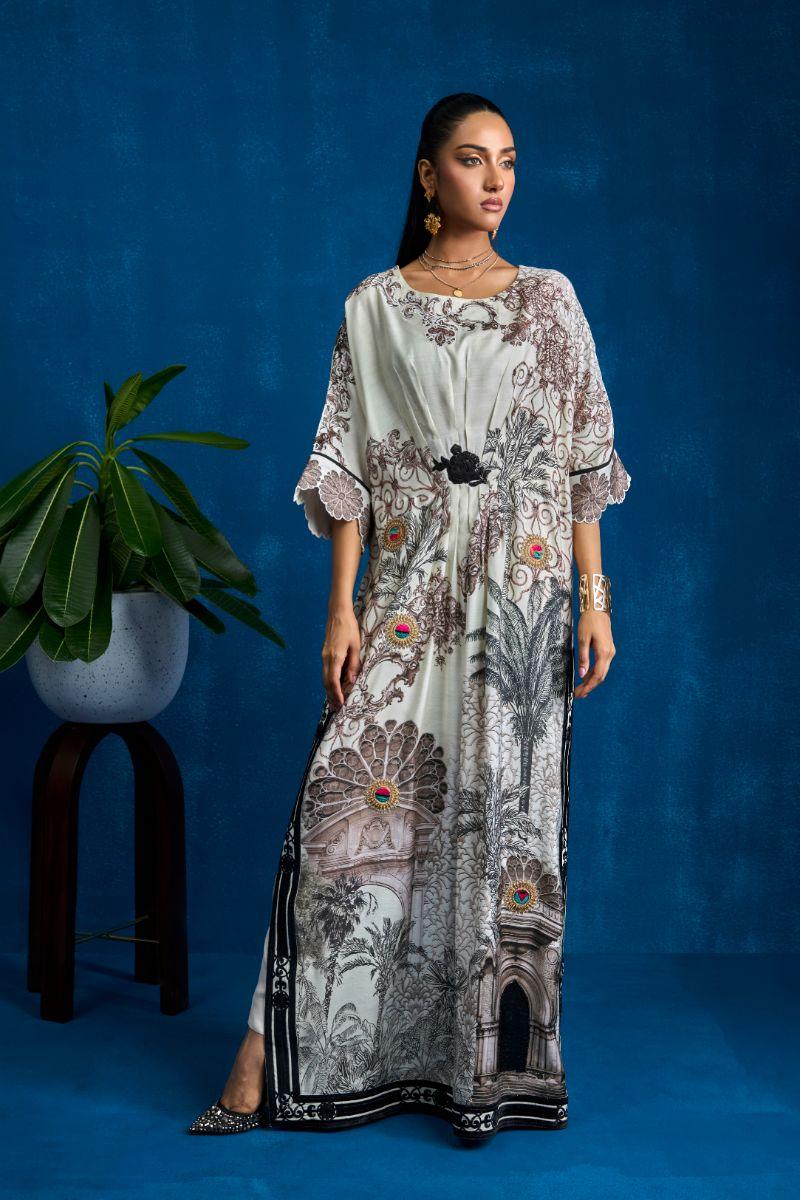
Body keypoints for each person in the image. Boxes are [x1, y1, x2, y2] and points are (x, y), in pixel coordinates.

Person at [188, 91, 632, 1142]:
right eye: (472, 160)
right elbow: (346, 462)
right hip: (410, 595)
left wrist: (595, 600)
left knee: (498, 832)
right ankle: (266, 1049)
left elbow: (582, 458)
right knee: (345, 815)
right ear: (428, 176)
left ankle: (476, 1072)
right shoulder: (373, 307)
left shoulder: (551, 300)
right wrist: (340, 609)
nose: (496, 179)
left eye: (508, 160)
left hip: (521, 606)